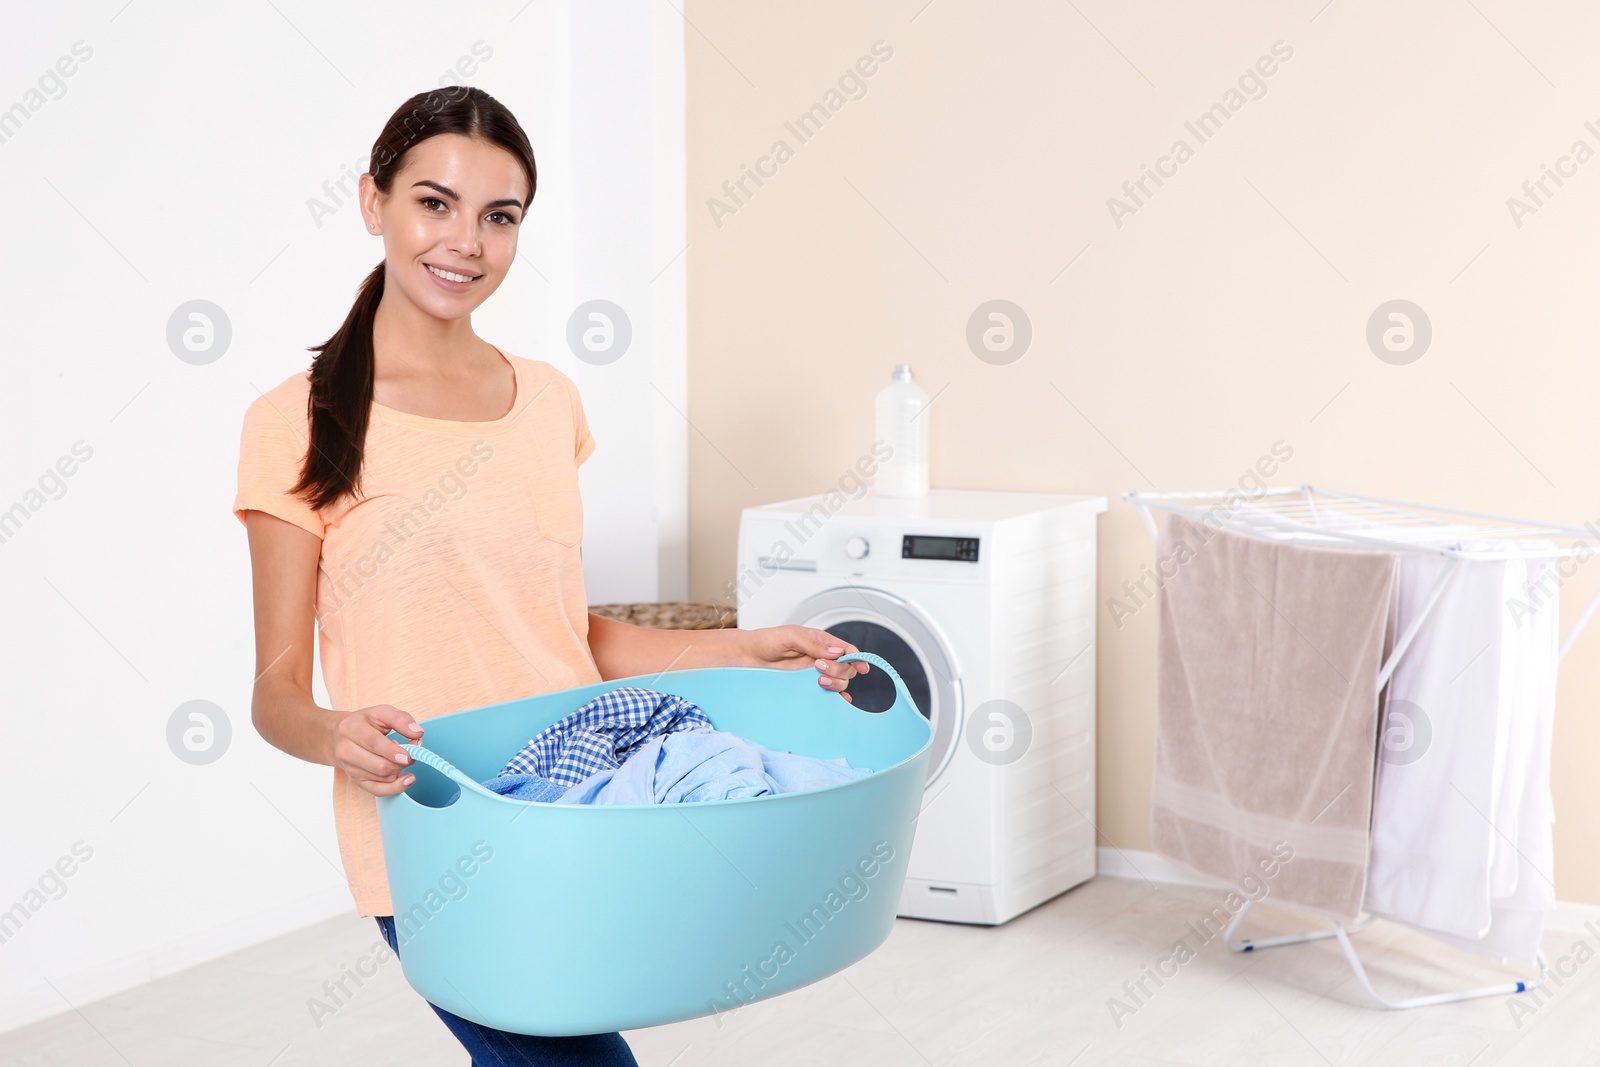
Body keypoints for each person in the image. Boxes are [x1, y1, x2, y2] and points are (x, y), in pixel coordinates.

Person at [234, 86, 866, 1065]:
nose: (465, 243)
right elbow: (274, 693)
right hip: (437, 827)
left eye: (500, 216)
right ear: (373, 202)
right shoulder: (296, 421)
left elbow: (568, 633)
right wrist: (337, 733)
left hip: (584, 805)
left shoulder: (548, 404)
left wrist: (746, 647)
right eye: (433, 203)